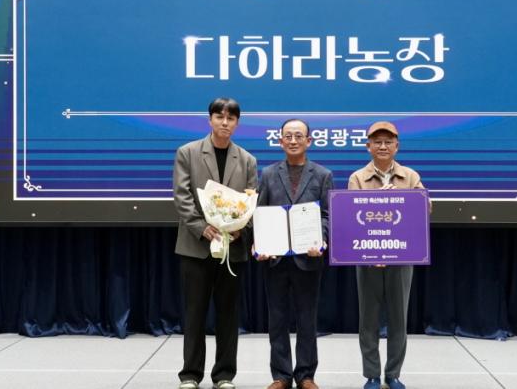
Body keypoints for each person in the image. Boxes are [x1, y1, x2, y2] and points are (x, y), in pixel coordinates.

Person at [174, 97, 257, 389]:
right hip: (196, 247)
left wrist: (240, 226)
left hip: (232, 249)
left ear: (237, 123)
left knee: (228, 314)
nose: (225, 122)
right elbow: (182, 196)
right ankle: (190, 374)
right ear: (209, 120)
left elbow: (250, 199)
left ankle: (224, 375)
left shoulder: (247, 160)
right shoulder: (188, 153)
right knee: (195, 313)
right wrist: (202, 227)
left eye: (230, 118)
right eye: (219, 117)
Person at [254, 118, 334, 389]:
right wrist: (260, 244)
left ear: (309, 141)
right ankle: (281, 376)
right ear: (280, 141)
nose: (293, 140)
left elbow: (327, 215)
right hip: (275, 260)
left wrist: (321, 240)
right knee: (277, 319)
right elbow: (260, 213)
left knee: (307, 320)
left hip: (308, 259)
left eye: (299, 136)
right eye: (288, 136)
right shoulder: (268, 174)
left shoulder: (322, 175)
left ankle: (306, 375)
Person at [348, 121, 428, 389]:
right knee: (368, 320)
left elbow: (423, 209)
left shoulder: (410, 176)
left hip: (401, 258)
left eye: (388, 142)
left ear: (396, 146)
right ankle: (372, 374)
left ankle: (393, 374)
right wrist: (376, 201)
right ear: (368, 146)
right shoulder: (357, 178)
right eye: (377, 142)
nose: (382, 146)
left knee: (398, 319)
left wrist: (408, 201)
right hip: (367, 259)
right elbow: (351, 217)